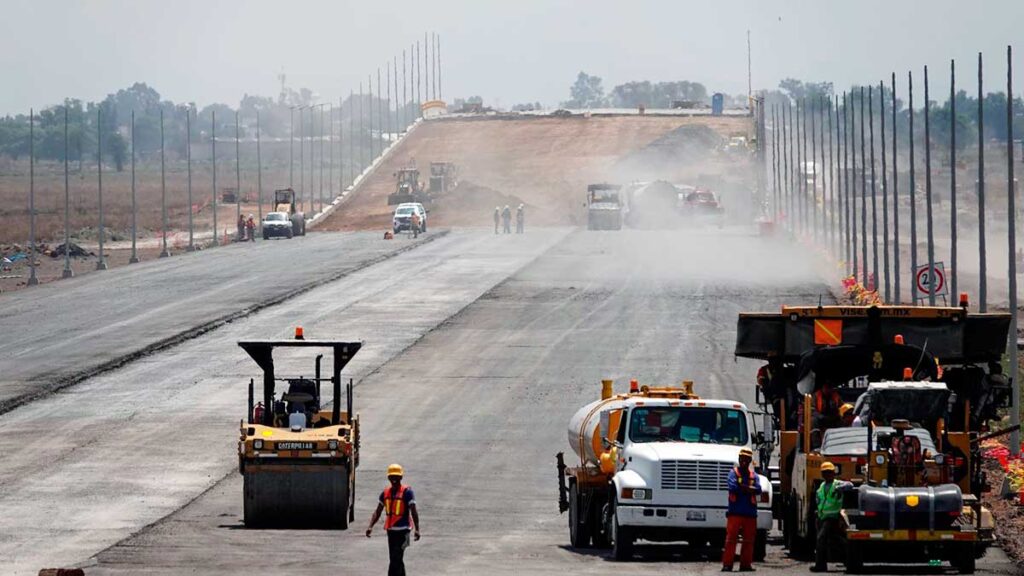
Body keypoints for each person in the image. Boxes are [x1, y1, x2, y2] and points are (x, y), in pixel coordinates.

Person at [367, 463, 420, 576]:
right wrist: (370, 526)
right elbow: (377, 511)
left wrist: (417, 529)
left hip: (404, 531)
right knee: (395, 559)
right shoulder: (385, 493)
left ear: (401, 477)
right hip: (391, 532)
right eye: (392, 477)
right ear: (388, 478)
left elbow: (414, 511)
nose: (394, 479)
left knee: (396, 559)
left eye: (396, 476)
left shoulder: (407, 493)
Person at [722, 447, 761, 572]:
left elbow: (759, 489)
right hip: (735, 513)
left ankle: (745, 564)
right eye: (742, 458)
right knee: (731, 539)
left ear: (750, 460)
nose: (744, 461)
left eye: (746, 459)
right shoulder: (733, 473)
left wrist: (743, 487)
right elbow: (733, 487)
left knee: (749, 540)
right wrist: (749, 488)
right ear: (739, 459)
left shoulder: (753, 475)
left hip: (750, 513)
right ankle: (727, 564)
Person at [811, 461, 852, 572]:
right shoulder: (821, 486)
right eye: (824, 472)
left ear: (834, 473)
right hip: (822, 517)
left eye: (829, 472)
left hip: (833, 517)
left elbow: (850, 485)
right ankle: (849, 561)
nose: (826, 474)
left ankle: (820, 565)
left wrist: (842, 487)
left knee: (821, 540)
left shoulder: (837, 484)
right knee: (836, 540)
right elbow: (819, 501)